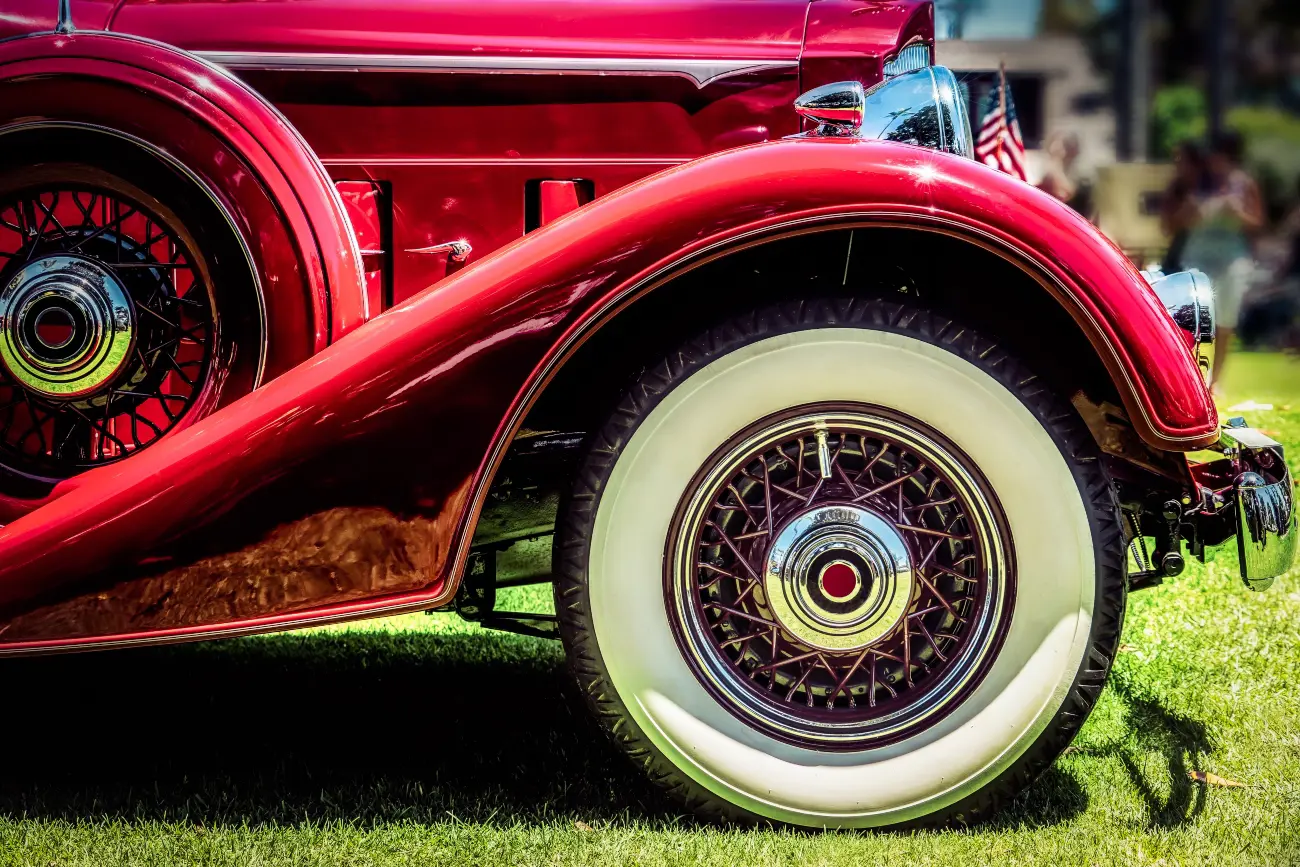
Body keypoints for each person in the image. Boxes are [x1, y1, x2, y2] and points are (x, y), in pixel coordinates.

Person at [1181, 131, 1265, 395]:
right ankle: (1190, 378)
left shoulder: (1244, 184)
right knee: (1193, 320)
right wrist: (1191, 213)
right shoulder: (1196, 183)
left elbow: (1258, 224)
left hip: (1231, 259)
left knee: (1224, 321)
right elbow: (1171, 223)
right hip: (1197, 257)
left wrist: (1238, 214)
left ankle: (1215, 381)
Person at [1160, 141, 1206, 273]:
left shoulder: (1210, 187)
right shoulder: (1175, 188)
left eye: (1181, 160)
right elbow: (1166, 228)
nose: (1176, 165)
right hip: (1181, 254)